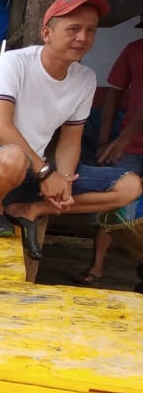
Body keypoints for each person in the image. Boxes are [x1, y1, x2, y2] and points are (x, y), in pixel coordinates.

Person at [0, 0, 142, 270]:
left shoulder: (85, 79)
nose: (82, 37)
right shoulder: (14, 63)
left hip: (31, 178)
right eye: (73, 29)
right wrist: (46, 173)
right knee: (13, 156)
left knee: (130, 187)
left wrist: (65, 179)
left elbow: (71, 140)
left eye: (90, 30)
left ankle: (32, 210)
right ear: (47, 33)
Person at [80, 36, 143, 284]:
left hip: (126, 143)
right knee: (112, 207)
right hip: (127, 148)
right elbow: (113, 96)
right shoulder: (134, 48)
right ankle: (96, 266)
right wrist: (105, 140)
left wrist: (122, 139)